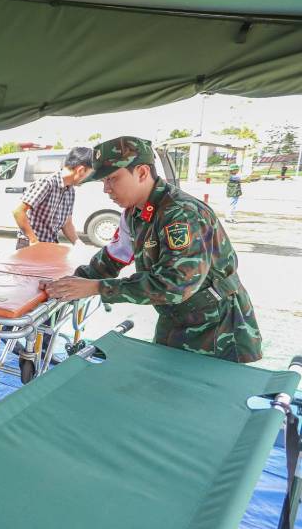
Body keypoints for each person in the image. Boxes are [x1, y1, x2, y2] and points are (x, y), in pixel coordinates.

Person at [43, 136, 262, 363]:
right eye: (103, 182)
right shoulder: (134, 212)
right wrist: (70, 283)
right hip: (176, 318)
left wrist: (96, 287)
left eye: (112, 179)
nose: (106, 189)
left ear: (142, 172)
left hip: (217, 327)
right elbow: (114, 255)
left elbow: (175, 285)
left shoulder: (181, 213)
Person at [12, 147, 93, 249]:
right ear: (81, 170)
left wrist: (78, 244)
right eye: (88, 174)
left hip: (50, 244)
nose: (87, 178)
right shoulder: (46, 183)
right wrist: (34, 241)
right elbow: (18, 212)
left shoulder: (70, 190)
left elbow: (67, 223)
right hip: (30, 245)